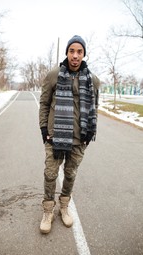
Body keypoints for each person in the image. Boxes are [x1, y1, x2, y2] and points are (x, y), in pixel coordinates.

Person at [39, 35, 100, 234]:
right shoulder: (53, 75)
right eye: (72, 51)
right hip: (55, 136)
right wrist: (43, 129)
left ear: (84, 54)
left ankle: (64, 206)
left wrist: (90, 131)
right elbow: (45, 104)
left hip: (79, 139)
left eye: (79, 51)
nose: (75, 55)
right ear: (67, 52)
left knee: (70, 175)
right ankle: (48, 210)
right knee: (50, 174)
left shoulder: (93, 80)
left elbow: (94, 106)